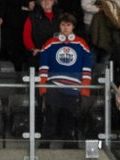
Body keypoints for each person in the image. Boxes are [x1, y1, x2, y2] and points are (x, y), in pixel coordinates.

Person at [37, 14, 92, 149]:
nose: (66, 28)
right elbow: (43, 68)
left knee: (70, 123)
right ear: (59, 26)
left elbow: (86, 69)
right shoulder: (50, 43)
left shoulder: (81, 44)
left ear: (73, 26)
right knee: (49, 121)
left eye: (68, 25)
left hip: (73, 90)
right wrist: (43, 88)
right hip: (53, 89)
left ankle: (71, 149)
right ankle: (43, 149)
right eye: (63, 25)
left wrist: (85, 89)